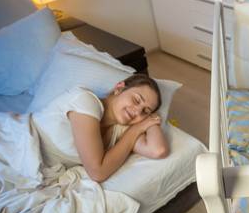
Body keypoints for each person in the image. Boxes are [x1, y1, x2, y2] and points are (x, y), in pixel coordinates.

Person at [32, 74, 169, 182]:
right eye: (136, 100)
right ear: (119, 88)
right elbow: (97, 172)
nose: (137, 112)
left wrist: (152, 119)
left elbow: (158, 150)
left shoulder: (120, 129)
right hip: (20, 146)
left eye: (145, 111)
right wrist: (136, 129)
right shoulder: (85, 101)